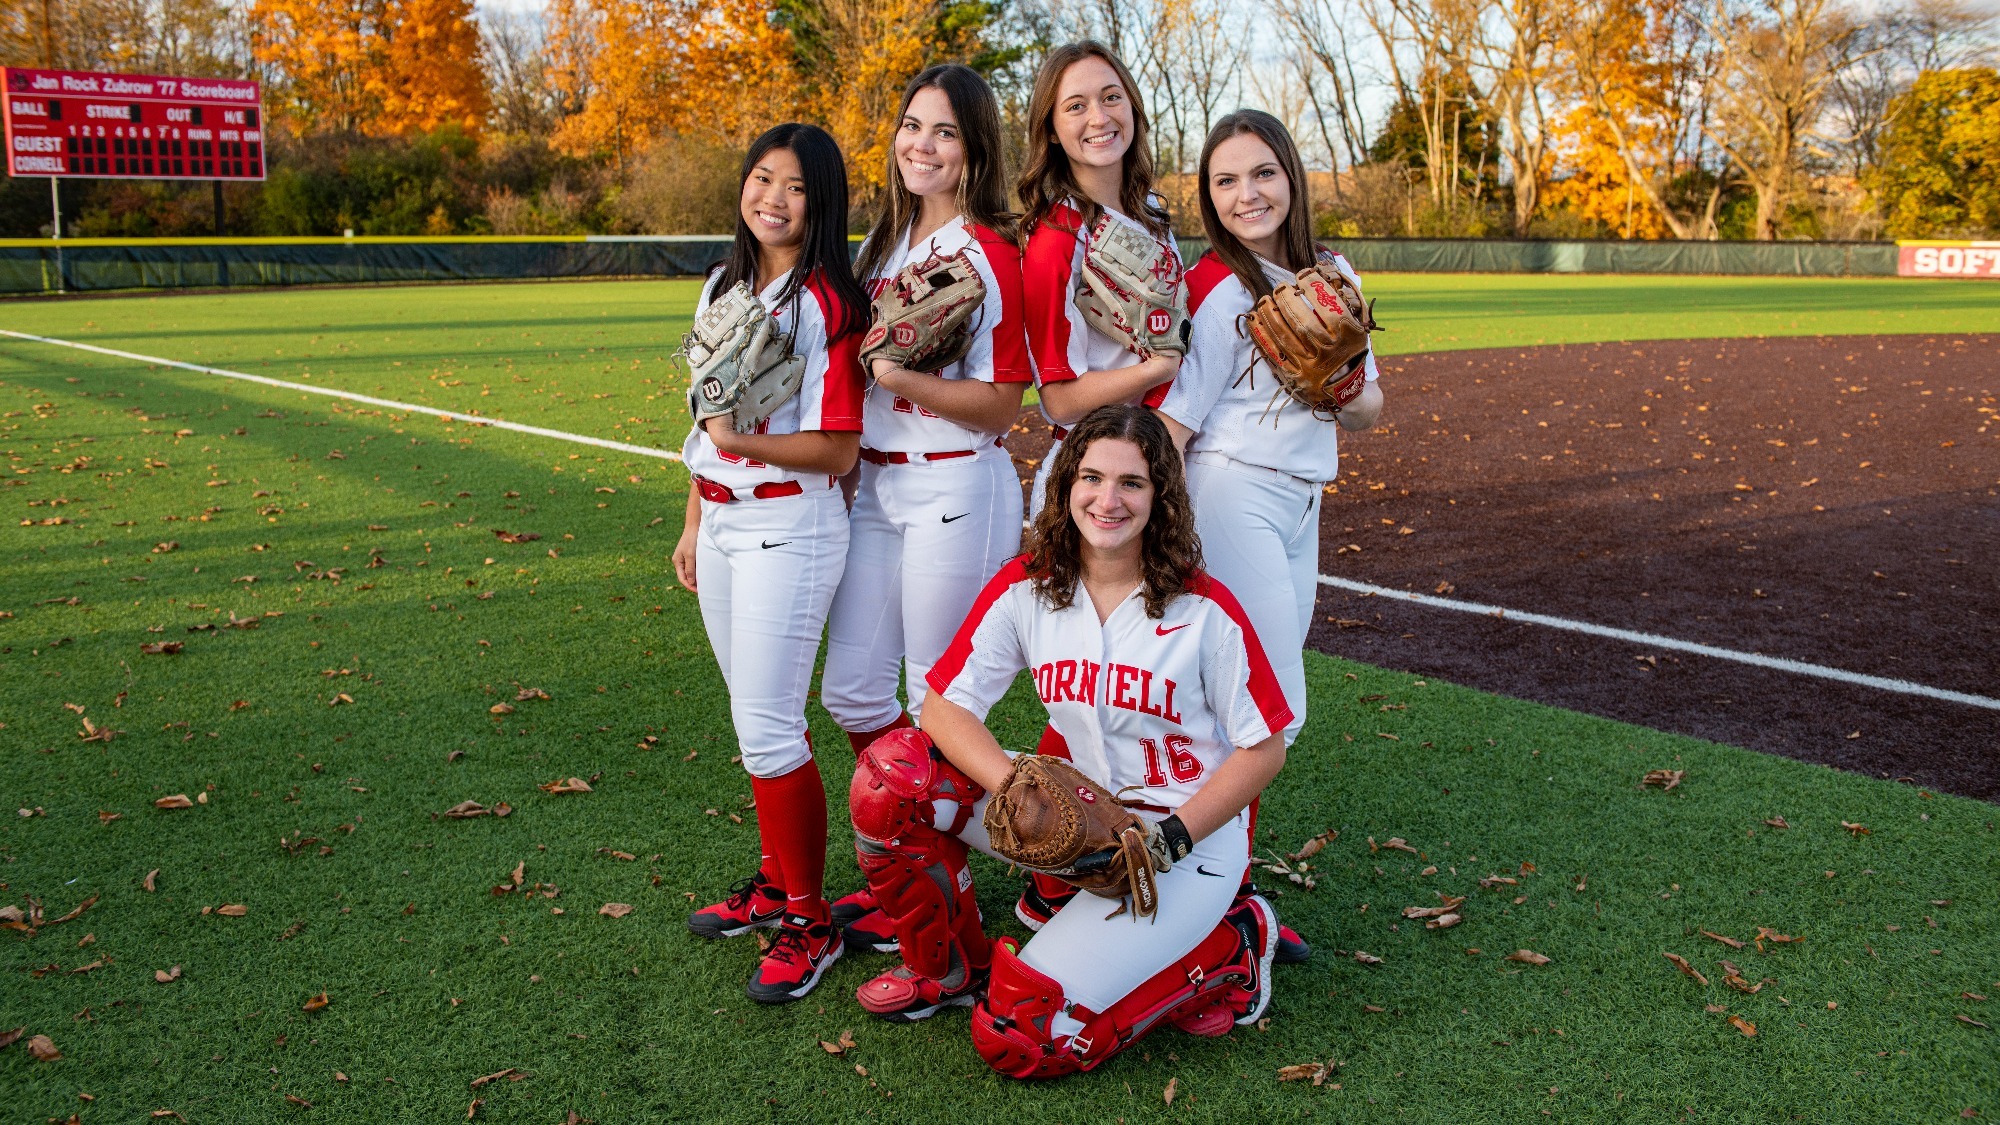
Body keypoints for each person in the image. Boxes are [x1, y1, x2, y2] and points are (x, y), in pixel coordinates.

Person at [847, 404, 1287, 1076]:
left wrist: (1169, 840)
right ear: (1065, 485)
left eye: (1132, 483)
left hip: (1180, 846)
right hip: (1076, 817)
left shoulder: (1205, 609)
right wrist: (1019, 790)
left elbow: (1265, 749)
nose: (1108, 500)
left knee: (1022, 1034)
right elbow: (943, 707)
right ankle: (951, 970)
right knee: (893, 778)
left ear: (1161, 497)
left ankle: (1228, 948)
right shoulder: (1030, 586)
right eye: (1092, 477)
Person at [819, 65, 1032, 953]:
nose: (923, 144)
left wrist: (902, 379)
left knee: (934, 701)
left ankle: (1005, 868)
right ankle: (919, 849)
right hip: (877, 485)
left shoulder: (990, 252)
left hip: (955, 483)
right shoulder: (881, 245)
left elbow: (1003, 403)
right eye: (912, 125)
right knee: (853, 690)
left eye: (945, 131)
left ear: (975, 149)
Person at [673, 123, 871, 1004]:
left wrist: (739, 442)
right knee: (753, 719)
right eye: (762, 178)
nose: (774, 198)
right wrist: (694, 518)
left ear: (820, 202)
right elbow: (702, 419)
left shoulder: (827, 300)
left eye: (795, 186)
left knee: (770, 727)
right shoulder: (723, 282)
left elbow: (837, 450)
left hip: (790, 523)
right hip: (723, 520)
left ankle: (809, 919)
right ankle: (777, 880)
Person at [1157, 109, 1385, 756]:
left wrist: (1339, 381)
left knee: (1253, 705)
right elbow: (1172, 424)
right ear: (1209, 196)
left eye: (1263, 173)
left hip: (1304, 501)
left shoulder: (1334, 274)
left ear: (1291, 177)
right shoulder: (1215, 286)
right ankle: (1195, 822)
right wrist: (1156, 526)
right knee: (1271, 708)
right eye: (1225, 181)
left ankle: (1193, 818)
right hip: (1231, 493)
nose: (1247, 194)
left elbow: (1368, 410)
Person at [1016, 40, 1185, 521]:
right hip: (1090, 471)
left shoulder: (1151, 212)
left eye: (1111, 97)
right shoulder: (1055, 234)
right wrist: (1157, 369)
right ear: (1051, 131)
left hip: (1158, 459)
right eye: (1075, 106)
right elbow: (1059, 400)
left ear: (1132, 106)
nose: (1099, 117)